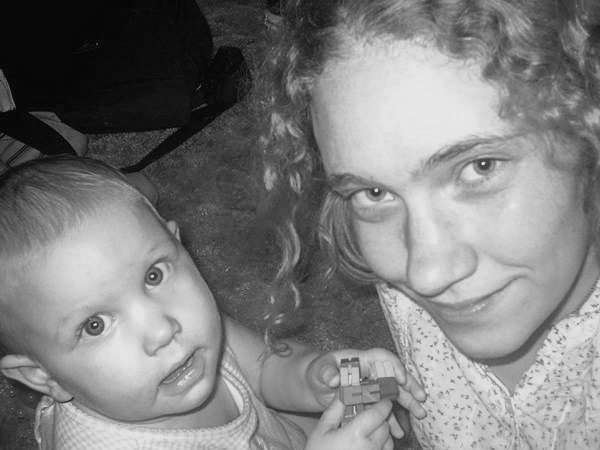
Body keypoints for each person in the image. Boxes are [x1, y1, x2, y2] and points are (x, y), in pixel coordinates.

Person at [257, 0, 600, 448]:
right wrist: (358, 392)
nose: (426, 274)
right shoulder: (406, 284)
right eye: (374, 192)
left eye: (480, 167)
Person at [0, 155, 426, 450]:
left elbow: (265, 367)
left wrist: (318, 377)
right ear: (42, 376)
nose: (161, 329)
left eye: (154, 276)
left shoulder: (186, 340)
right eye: (95, 325)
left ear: (178, 243)